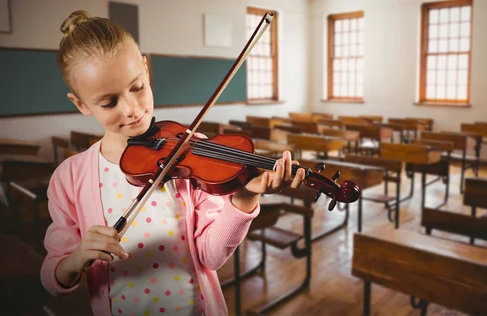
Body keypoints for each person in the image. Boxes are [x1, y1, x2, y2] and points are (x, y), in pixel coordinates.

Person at [40, 10, 305, 316]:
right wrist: (75, 259)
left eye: (137, 87)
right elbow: (51, 278)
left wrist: (244, 197)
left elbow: (210, 257)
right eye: (109, 102)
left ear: (145, 67)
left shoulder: (191, 152)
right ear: (81, 103)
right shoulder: (69, 178)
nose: (131, 109)